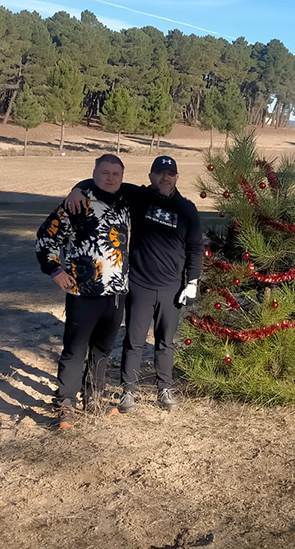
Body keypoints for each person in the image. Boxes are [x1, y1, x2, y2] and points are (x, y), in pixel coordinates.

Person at [66, 155, 203, 413]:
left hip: (172, 288)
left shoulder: (187, 209)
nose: (165, 178)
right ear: (150, 176)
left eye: (170, 174)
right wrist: (76, 190)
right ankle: (128, 392)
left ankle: (165, 389)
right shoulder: (138, 196)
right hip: (139, 285)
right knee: (134, 341)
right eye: (159, 173)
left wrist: (192, 282)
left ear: (176, 177)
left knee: (166, 341)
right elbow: (101, 184)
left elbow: (195, 248)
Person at [36, 154, 131, 430]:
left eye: (116, 174)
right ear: (94, 173)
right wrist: (55, 271)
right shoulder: (77, 203)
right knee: (75, 350)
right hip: (83, 293)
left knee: (102, 349)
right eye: (104, 173)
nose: (110, 178)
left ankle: (94, 399)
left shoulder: (126, 203)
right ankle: (66, 403)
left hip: (116, 294)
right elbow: (46, 237)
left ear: (122, 177)